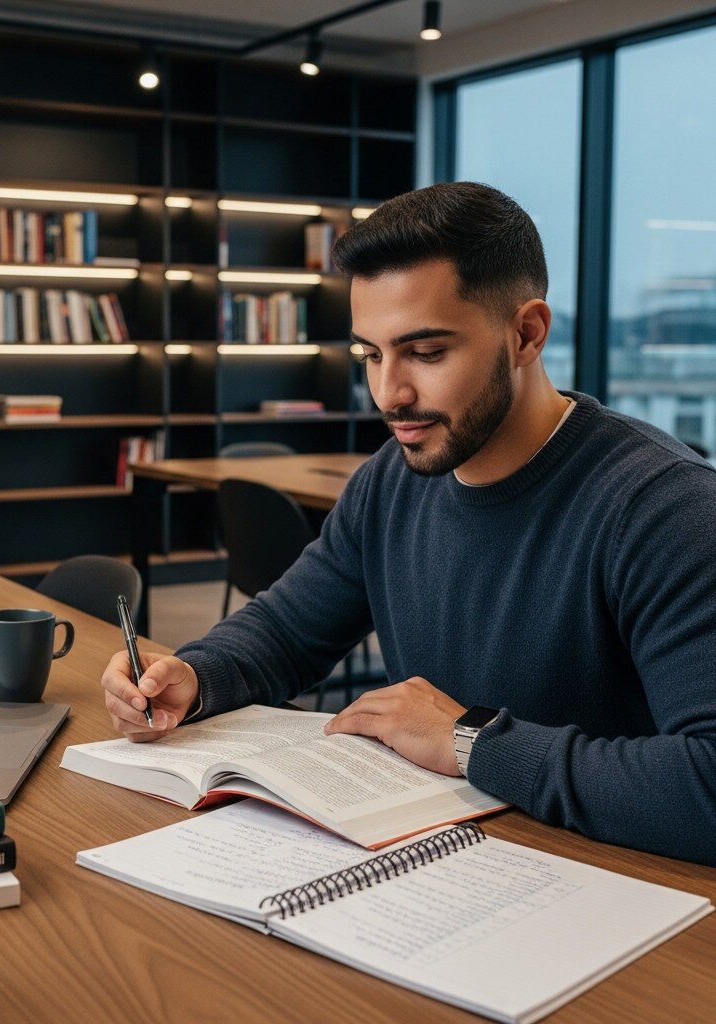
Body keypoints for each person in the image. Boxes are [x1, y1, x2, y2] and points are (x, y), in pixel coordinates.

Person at [100, 181, 716, 866]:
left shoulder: (668, 511)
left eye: (425, 354)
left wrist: (472, 740)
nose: (390, 393)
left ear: (526, 333)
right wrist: (194, 675)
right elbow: (286, 630)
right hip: (447, 861)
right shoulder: (389, 483)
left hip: (626, 893)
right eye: (371, 354)